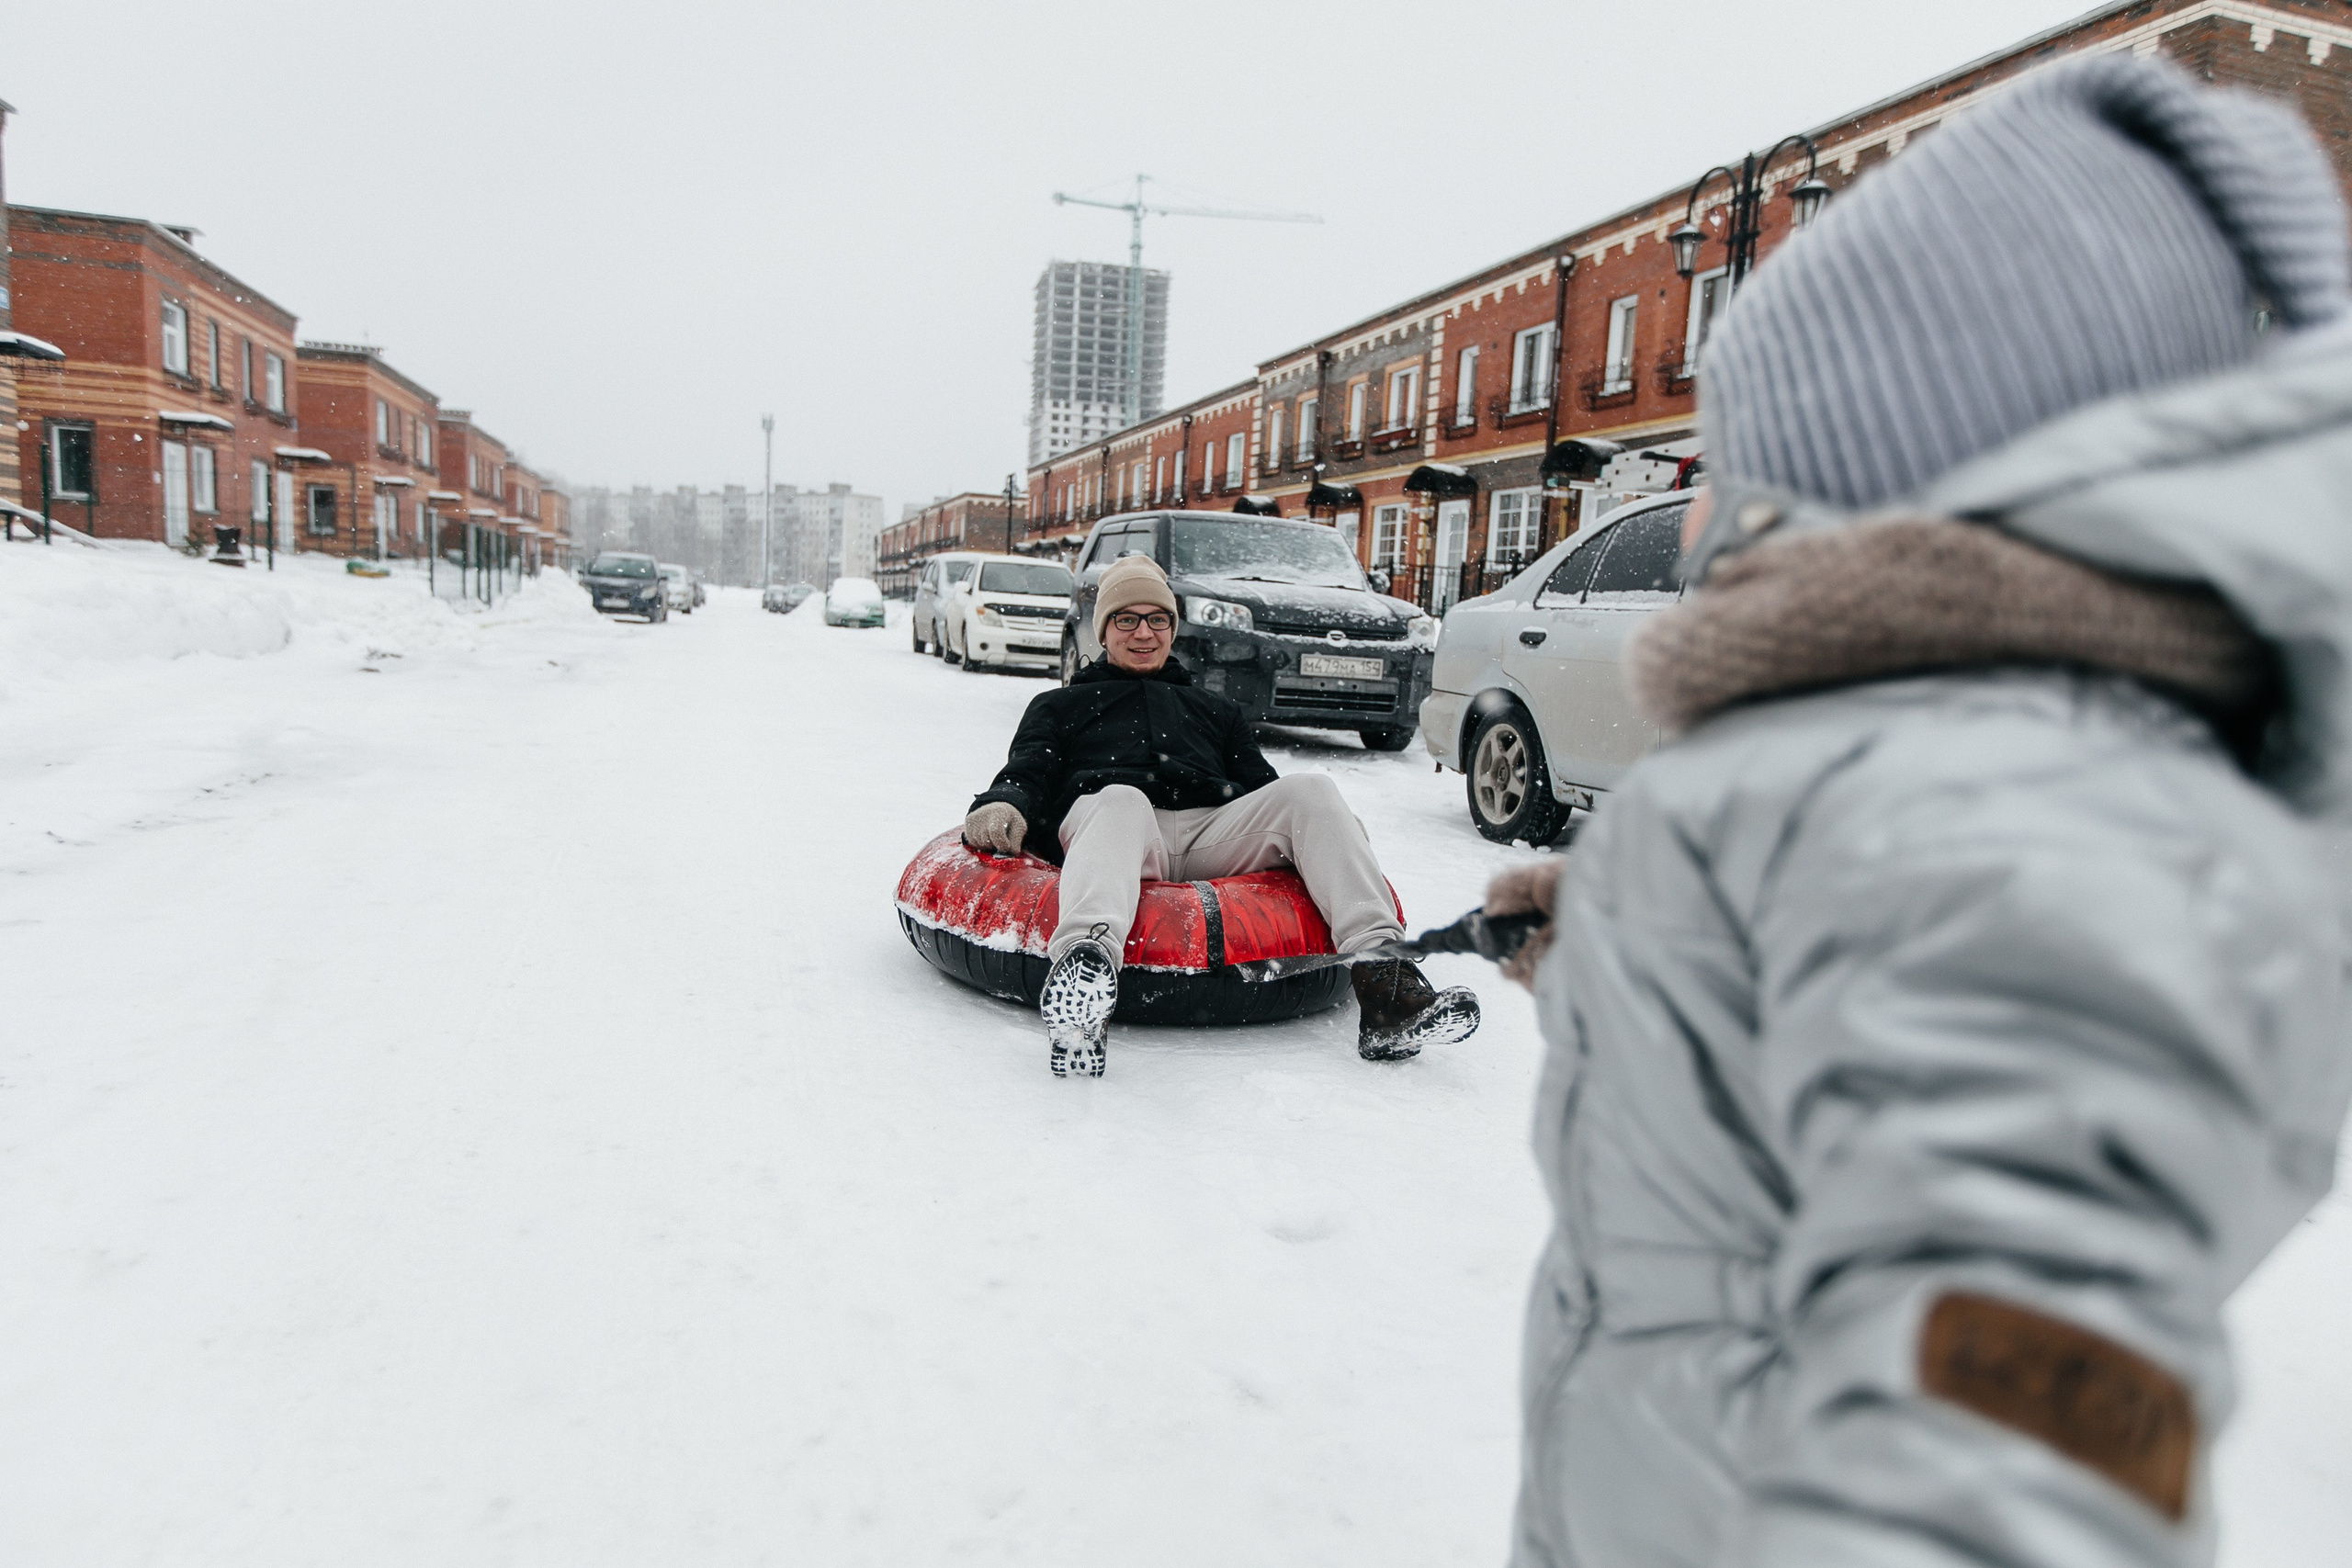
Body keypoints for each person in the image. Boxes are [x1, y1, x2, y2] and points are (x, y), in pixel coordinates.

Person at [1490, 56, 2352, 1567]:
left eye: (1747, 476)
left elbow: (2008, 1449)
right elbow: (1846, 1022)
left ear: (1882, 481)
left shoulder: (2003, 815)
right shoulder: (1941, 780)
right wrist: (1631, 940)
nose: (1700, 518)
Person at [964, 554, 1479, 1077]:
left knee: (1313, 790)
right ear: (1103, 630)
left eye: (1157, 619)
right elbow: (1028, 770)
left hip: (1210, 832)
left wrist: (1324, 824)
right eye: (1127, 619)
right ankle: (1084, 981)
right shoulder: (1060, 706)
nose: (1144, 632)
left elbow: (1264, 789)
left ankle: (1387, 986)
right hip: (1115, 827)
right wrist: (1002, 803)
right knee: (1122, 798)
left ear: (1172, 628)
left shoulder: (1215, 709)